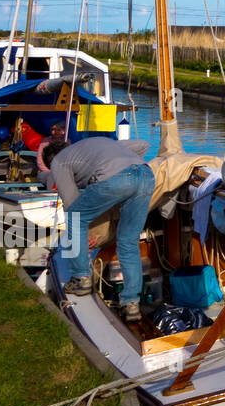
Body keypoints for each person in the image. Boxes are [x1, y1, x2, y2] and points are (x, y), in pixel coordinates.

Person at [42, 136, 152, 323]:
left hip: (117, 180)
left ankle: (81, 278)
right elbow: (143, 145)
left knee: (74, 218)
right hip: (146, 175)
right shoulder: (92, 145)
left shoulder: (58, 162)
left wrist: (84, 237)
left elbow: (71, 206)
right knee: (128, 241)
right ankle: (131, 303)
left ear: (50, 162)